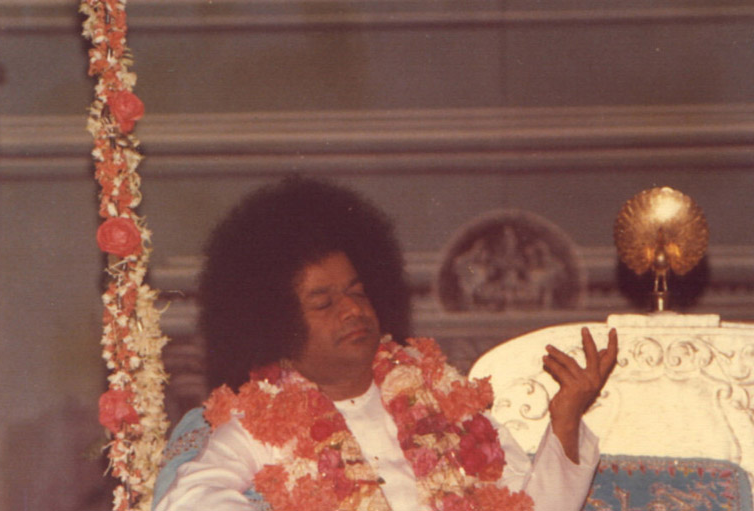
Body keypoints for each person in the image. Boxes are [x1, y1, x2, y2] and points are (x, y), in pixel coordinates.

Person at [154, 176, 618, 511]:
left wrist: (565, 422)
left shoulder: (444, 398)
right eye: (324, 303)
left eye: (357, 292)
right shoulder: (262, 424)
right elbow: (189, 499)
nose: (352, 310)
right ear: (276, 326)